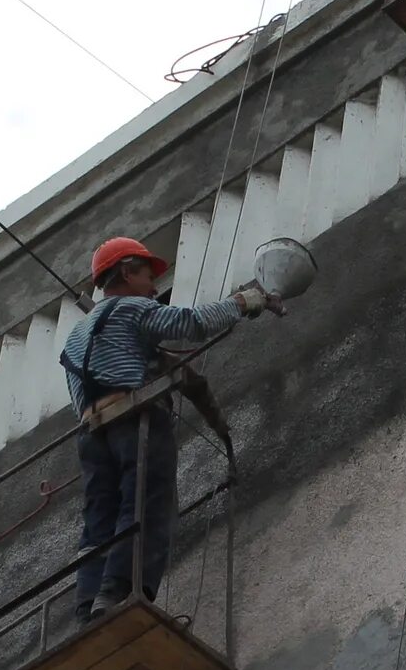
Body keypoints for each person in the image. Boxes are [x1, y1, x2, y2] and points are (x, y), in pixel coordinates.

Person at [58, 236, 271, 617]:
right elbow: (191, 323)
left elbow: (191, 382)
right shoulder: (131, 309)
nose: (155, 287)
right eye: (147, 275)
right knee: (146, 503)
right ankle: (121, 591)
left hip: (91, 434)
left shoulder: (78, 336)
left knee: (99, 521)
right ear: (125, 272)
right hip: (135, 418)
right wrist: (244, 301)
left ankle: (88, 604)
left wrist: (222, 430)